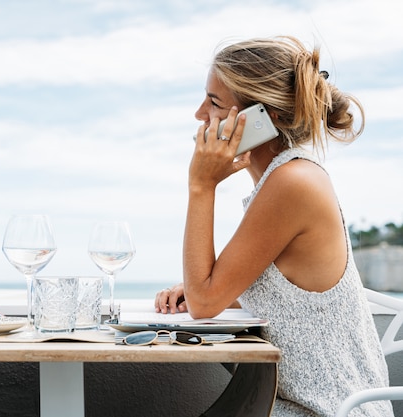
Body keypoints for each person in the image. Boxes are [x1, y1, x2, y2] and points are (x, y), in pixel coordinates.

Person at [155, 36, 393, 416]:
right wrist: (218, 290)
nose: (200, 114)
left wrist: (201, 187)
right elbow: (285, 300)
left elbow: (203, 304)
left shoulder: (292, 182)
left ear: (266, 118)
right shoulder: (281, 179)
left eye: (214, 102)